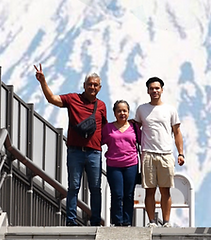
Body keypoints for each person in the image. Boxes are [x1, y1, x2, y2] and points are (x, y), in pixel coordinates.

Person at [33, 64, 105, 226]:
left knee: (95, 188)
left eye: (95, 85)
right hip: (75, 151)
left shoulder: (101, 106)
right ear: (84, 86)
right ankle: (71, 221)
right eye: (90, 84)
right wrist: (43, 81)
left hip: (94, 152)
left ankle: (95, 222)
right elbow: (52, 99)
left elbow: (104, 129)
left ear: (99, 88)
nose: (92, 87)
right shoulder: (73, 99)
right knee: (74, 186)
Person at [133, 76, 184, 226]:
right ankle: (151, 221)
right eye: (151, 88)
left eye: (157, 88)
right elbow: (135, 129)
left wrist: (180, 153)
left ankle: (166, 221)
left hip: (166, 153)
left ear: (162, 90)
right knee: (149, 190)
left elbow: (177, 132)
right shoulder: (142, 109)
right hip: (148, 153)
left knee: (165, 190)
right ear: (147, 91)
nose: (154, 91)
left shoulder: (170, 109)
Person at [102, 100, 139, 228]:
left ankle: (127, 221)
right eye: (119, 111)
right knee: (117, 194)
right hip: (114, 165)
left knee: (129, 194)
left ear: (128, 112)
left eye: (125, 110)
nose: (122, 113)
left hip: (131, 164)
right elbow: (98, 141)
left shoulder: (134, 128)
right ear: (114, 113)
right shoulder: (108, 128)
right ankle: (117, 221)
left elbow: (143, 141)